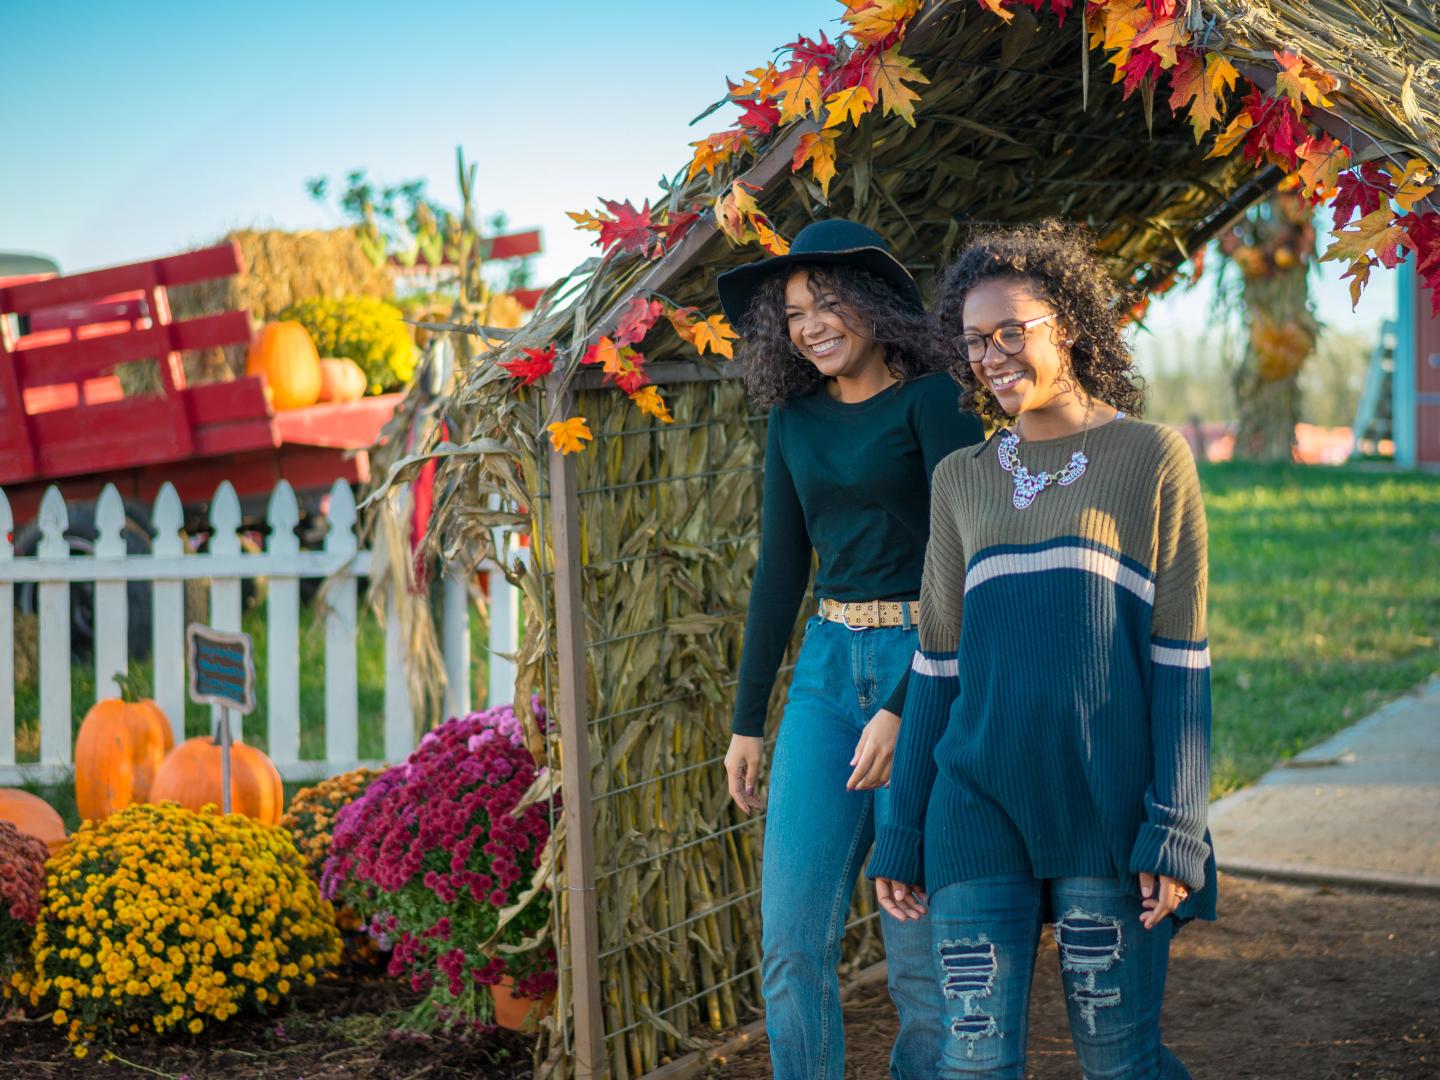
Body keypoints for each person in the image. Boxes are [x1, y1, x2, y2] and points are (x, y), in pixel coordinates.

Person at [869, 220, 1216, 1079]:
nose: (990, 357)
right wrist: (902, 829)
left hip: (1105, 801)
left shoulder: (1151, 459)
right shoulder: (962, 480)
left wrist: (1175, 826)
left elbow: (1181, 663)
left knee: (1118, 1062)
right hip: (976, 803)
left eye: (1010, 332)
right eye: (974, 341)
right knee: (973, 1062)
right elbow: (937, 666)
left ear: (1070, 326)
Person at [717, 218, 984, 1079]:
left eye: (827, 303)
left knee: (917, 952)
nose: (810, 326)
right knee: (791, 940)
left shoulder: (935, 403)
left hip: (927, 660)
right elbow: (780, 571)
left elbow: (966, 564)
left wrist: (907, 706)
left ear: (873, 304)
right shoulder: (793, 420)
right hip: (828, 669)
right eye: (794, 313)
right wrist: (747, 722)